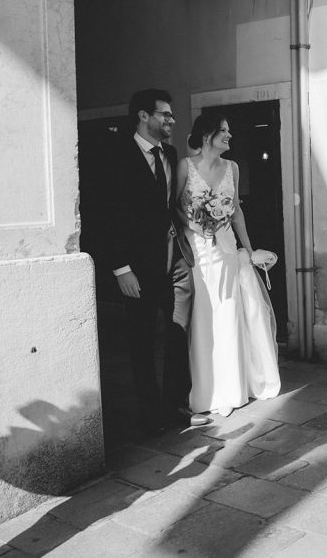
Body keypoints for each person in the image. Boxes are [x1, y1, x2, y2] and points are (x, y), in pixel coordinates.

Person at [99, 89, 205, 434]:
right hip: (137, 268)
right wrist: (121, 268)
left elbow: (170, 206)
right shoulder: (115, 155)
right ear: (144, 116)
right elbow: (107, 215)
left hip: (174, 262)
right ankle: (149, 415)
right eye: (165, 115)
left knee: (178, 335)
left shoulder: (171, 154)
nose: (171, 121)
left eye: (172, 116)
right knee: (141, 340)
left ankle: (176, 405)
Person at [176, 112, 281, 418]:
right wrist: (194, 225)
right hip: (197, 253)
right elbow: (172, 207)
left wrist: (249, 251)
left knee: (228, 315)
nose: (230, 136)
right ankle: (206, 391)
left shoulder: (232, 168)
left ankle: (231, 390)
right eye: (224, 131)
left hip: (226, 251)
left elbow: (236, 214)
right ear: (207, 135)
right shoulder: (186, 166)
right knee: (203, 318)